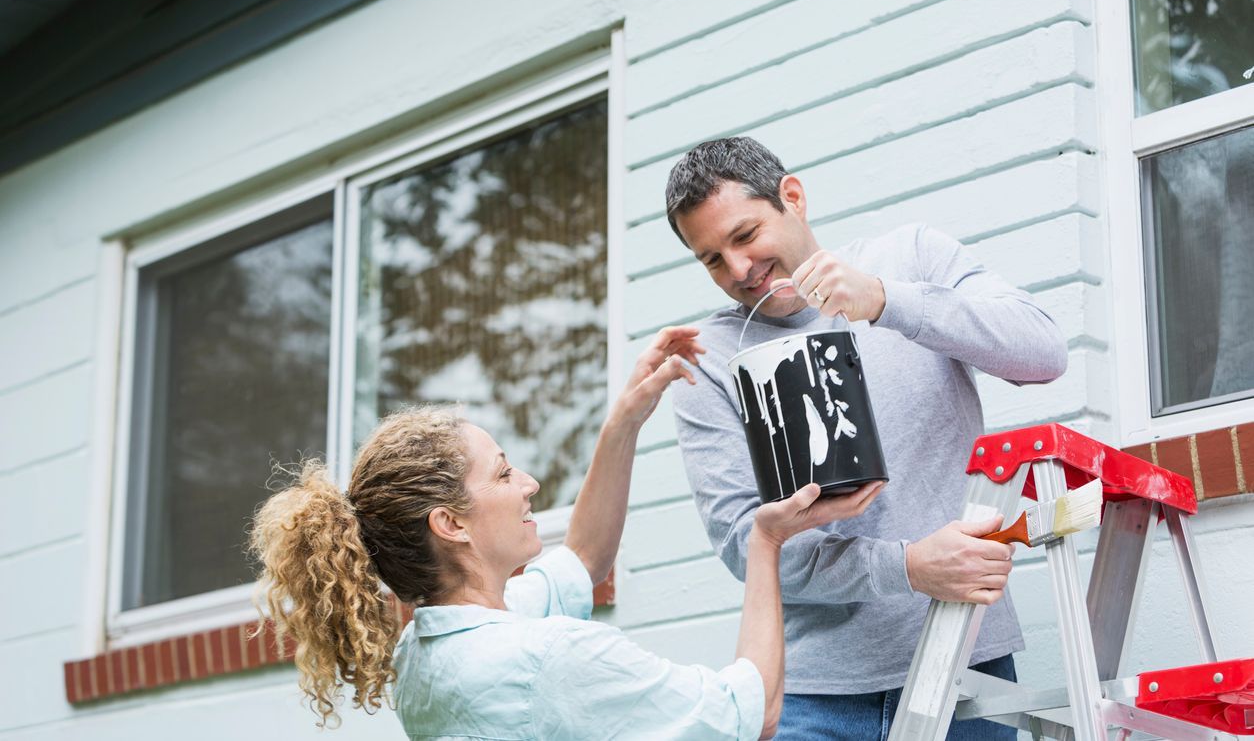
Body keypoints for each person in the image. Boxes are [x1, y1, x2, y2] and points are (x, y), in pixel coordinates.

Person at [250, 325, 883, 739]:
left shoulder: (427, 652)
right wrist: (765, 543)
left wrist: (625, 420)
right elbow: (755, 713)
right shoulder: (547, 656)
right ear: (450, 524)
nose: (527, 483)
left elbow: (584, 555)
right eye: (501, 474)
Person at [665, 137, 1069, 739]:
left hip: (964, 663)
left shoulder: (909, 258)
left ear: (792, 198)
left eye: (745, 236)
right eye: (712, 260)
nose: (739, 271)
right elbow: (741, 541)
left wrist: (887, 301)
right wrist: (906, 567)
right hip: (812, 696)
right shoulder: (709, 358)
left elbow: (1043, 351)